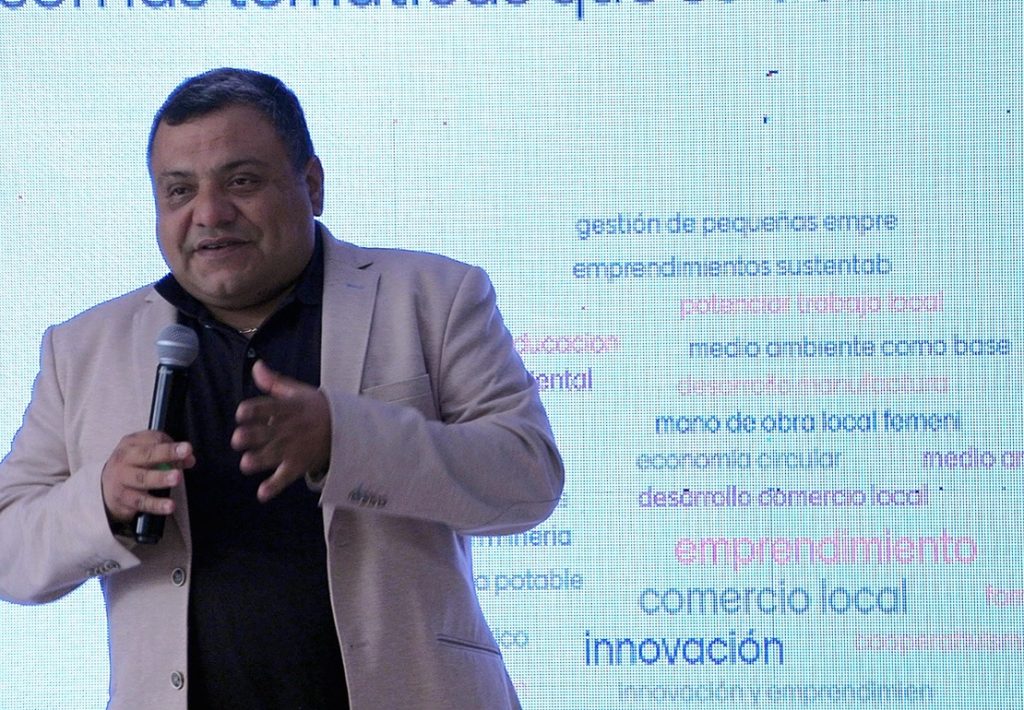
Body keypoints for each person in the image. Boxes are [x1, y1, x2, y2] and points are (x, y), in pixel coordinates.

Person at [0, 68, 564, 710]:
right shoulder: (83, 349)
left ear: (312, 184)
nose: (209, 213)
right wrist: (102, 500)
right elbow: (9, 548)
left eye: (241, 181)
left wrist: (344, 441)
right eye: (179, 190)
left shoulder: (434, 297)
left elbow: (528, 479)